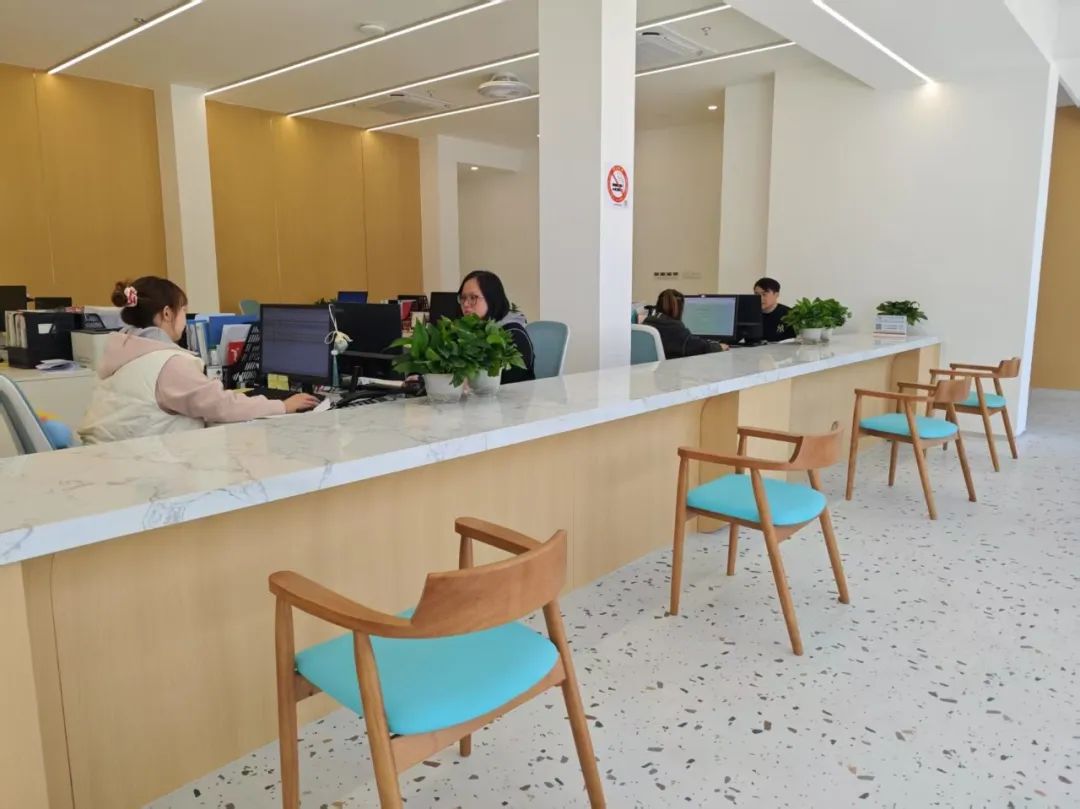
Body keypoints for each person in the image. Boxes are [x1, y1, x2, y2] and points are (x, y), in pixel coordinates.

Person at [79, 277, 318, 445]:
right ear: (167, 313)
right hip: (144, 470)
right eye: (184, 310)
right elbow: (223, 406)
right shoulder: (167, 362)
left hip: (109, 461)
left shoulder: (123, 353)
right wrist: (283, 406)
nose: (185, 319)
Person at [457, 270, 536, 384]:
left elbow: (509, 384)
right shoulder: (469, 332)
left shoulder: (514, 335)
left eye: (473, 297)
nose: (465, 304)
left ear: (492, 299)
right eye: (463, 298)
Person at [643, 289, 729, 359]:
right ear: (679, 309)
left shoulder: (647, 322)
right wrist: (718, 347)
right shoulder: (674, 328)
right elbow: (698, 346)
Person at [753, 277, 792, 342]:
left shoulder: (790, 314)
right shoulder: (750, 313)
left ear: (776, 295)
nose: (759, 298)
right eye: (756, 294)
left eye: (764, 294)